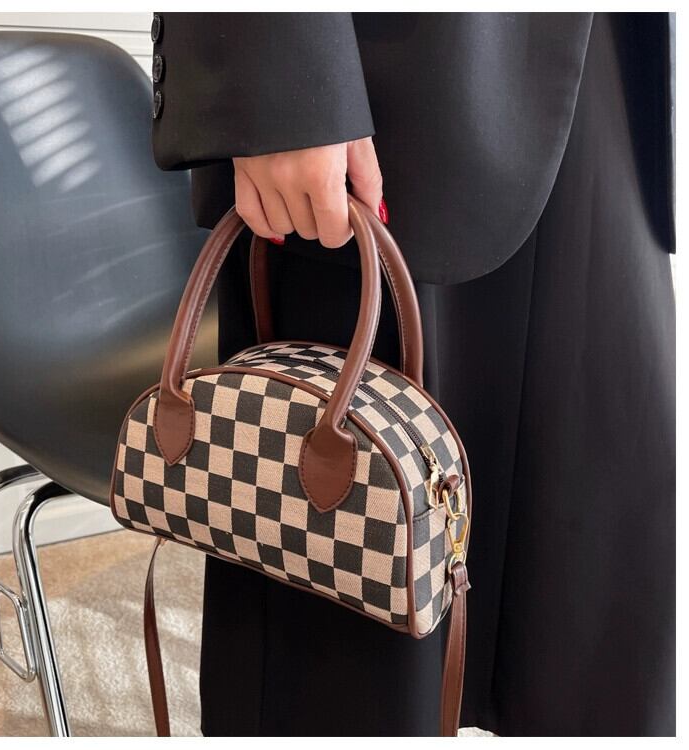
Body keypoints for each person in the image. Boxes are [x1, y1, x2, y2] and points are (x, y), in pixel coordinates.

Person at [149, 12, 675, 736]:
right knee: (347, 582)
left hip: (602, 69)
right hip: (377, 95)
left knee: (597, 573)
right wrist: (283, 81)